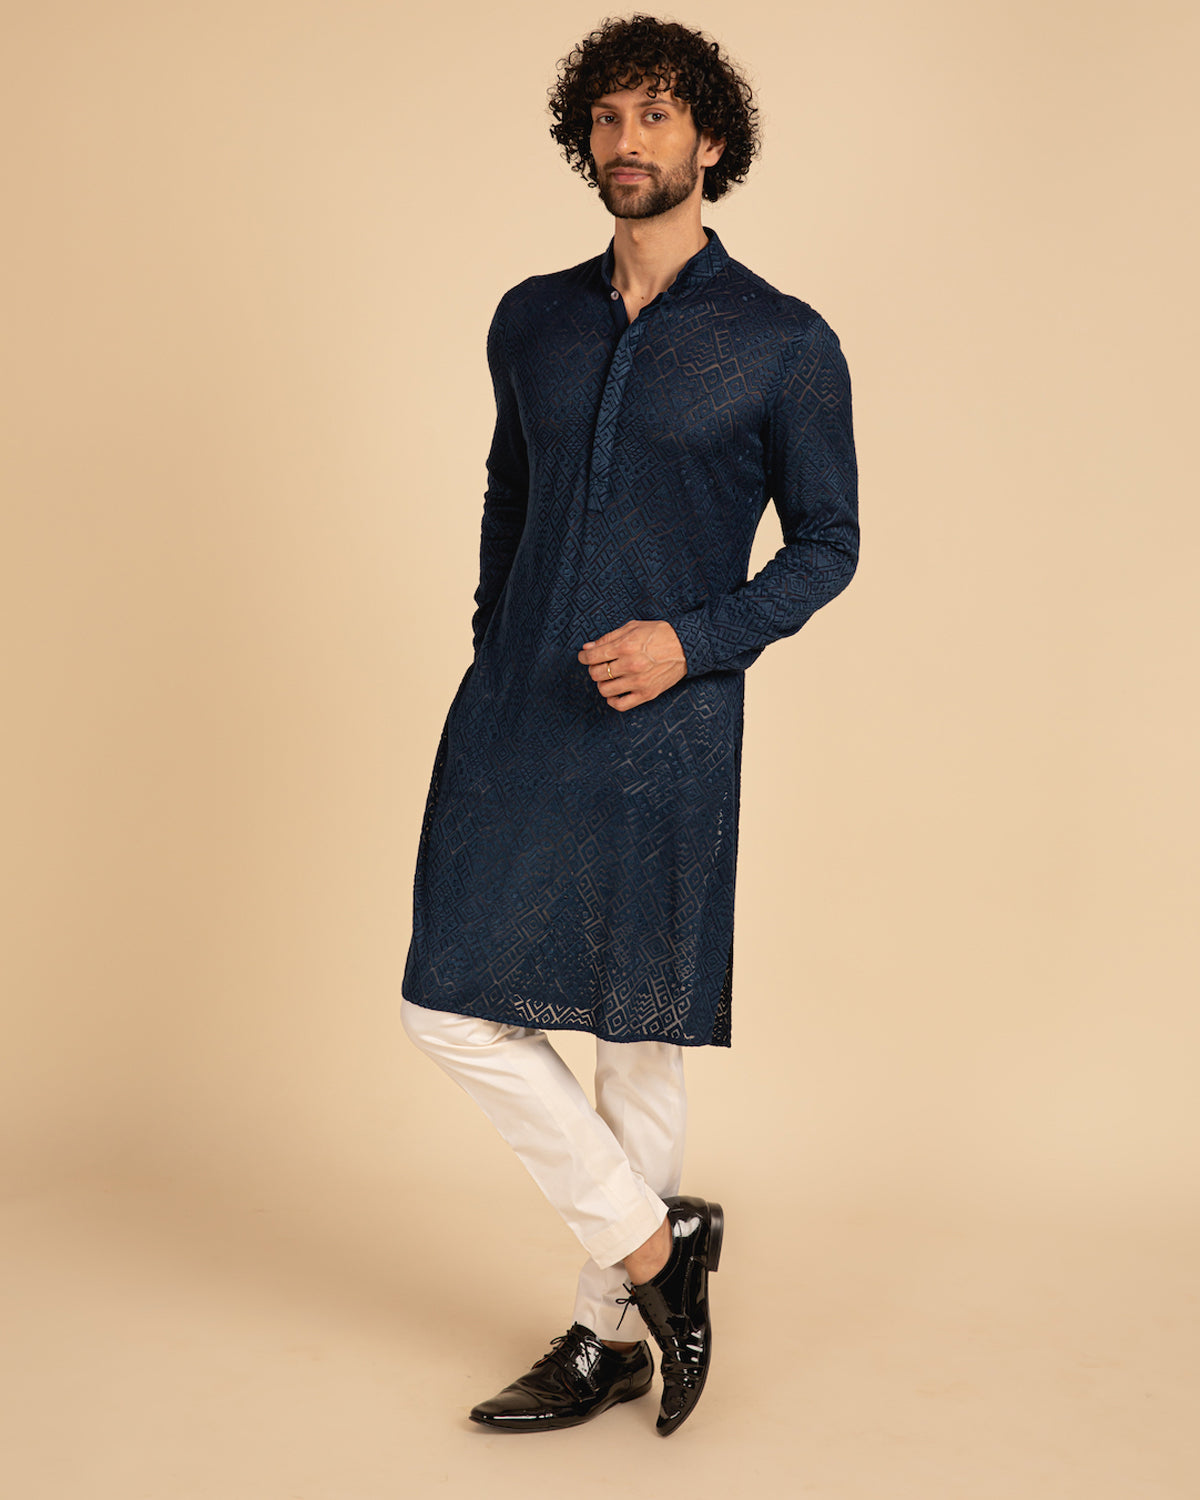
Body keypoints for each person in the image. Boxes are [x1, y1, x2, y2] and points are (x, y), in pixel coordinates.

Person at [400, 14, 858, 1436]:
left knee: (638, 1036)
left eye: (655, 116)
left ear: (710, 140)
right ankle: (661, 1247)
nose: (626, 140)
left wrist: (690, 644)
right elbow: (511, 491)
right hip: (518, 712)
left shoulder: (783, 342)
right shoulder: (531, 318)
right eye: (605, 118)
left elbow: (829, 544)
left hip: (672, 734)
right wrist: (498, 643)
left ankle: (605, 1339)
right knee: (445, 1004)